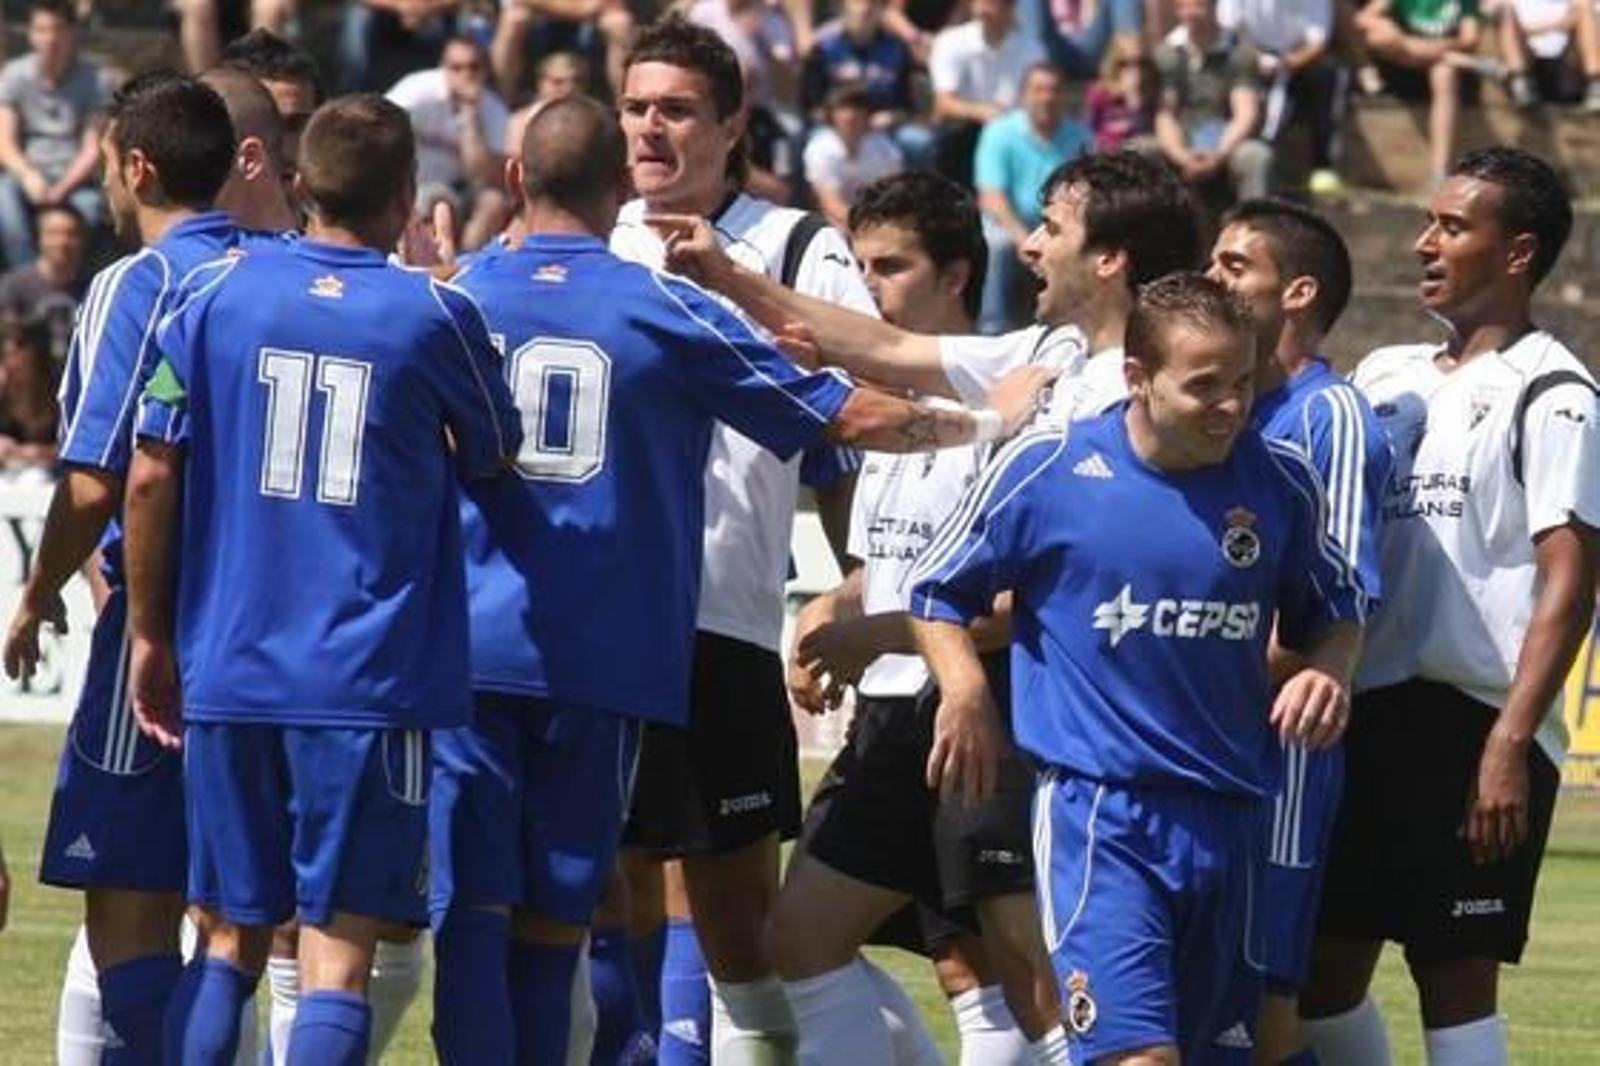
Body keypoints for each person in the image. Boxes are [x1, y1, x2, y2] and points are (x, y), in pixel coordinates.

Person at [428, 92, 1050, 1066]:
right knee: (566, 907)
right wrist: (985, 419)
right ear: (614, 191)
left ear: (512, 180)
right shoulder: (658, 303)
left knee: (471, 912)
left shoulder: (453, 294)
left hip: (465, 650)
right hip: (603, 659)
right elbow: (844, 417)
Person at [123, 93, 522, 1065]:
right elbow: (495, 452)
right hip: (366, 682)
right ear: (407, 193)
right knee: (339, 954)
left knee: (224, 937)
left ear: (299, 185)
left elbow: (147, 468)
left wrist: (148, 632)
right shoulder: (434, 312)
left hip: (231, 665)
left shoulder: (210, 295)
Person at [909, 271, 1370, 1065]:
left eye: (1243, 381)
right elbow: (934, 590)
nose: (1230, 404)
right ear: (1137, 377)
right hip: (1102, 818)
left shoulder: (1281, 481)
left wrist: (1327, 669)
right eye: (1203, 386)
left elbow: (1339, 609)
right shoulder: (1051, 468)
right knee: (1139, 1058)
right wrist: (964, 690)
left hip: (1232, 818)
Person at [610, 16, 880, 1062]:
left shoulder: (798, 246)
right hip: (597, 617)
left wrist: (861, 581)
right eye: (636, 107)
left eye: (676, 109)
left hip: (721, 609)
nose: (650, 129)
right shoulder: (594, 235)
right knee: (614, 887)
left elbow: (859, 417)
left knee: (729, 917)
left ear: (732, 126)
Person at [1304, 146, 1599, 1066]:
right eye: (1428, 222)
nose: (1426, 242)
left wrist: (1510, 742)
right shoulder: (1386, 373)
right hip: (1364, 713)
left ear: (1517, 254)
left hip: (1472, 725)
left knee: (1455, 978)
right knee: (1317, 980)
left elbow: (1572, 578)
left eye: (1453, 226)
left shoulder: (1557, 393)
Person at [775, 169, 1067, 1065]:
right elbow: (882, 568)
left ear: (956, 276)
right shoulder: (893, 421)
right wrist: (834, 605)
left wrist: (878, 633)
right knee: (807, 943)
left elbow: (1020, 603)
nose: (869, 288)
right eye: (861, 266)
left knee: (1018, 976)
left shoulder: (1015, 406)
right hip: (893, 719)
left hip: (976, 711)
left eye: (891, 267)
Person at [1206, 196, 1393, 1065]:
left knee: (1266, 1010)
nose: (1212, 275)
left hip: (1277, 764)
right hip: (1201, 745)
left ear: (1299, 292)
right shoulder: (1220, 415)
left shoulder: (1330, 416)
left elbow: (1341, 600)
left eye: (1235, 264)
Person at [654, 149, 1203, 440]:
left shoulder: (1149, 400)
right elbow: (889, 349)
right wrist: (728, 276)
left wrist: (896, 627)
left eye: (1052, 229)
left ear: (1109, 259)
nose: (1029, 247)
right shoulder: (1049, 351)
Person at [974, 61, 1092, 334]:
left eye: (1054, 90)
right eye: (1039, 90)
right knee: (996, 243)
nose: (1047, 97)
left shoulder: (1082, 136)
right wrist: (1021, 237)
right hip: (1008, 224)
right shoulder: (999, 132)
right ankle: (992, 328)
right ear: (1024, 94)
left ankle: (1076, 327)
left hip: (1061, 224)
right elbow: (991, 196)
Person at [0, 0, 111, 271]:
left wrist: (62, 189)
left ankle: (76, 287)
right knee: (4, 204)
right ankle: (30, 281)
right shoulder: (15, 75)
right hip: (26, 174)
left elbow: (92, 148)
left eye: (58, 29)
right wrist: (28, 176)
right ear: (31, 33)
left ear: (73, 32)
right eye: (42, 29)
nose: (50, 37)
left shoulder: (96, 80)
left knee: (92, 213)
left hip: (76, 179)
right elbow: (5, 141)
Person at [386, 35, 511, 252]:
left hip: (462, 190)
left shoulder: (494, 109)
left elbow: (484, 173)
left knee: (495, 201)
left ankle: (464, 267)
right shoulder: (419, 89)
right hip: (412, 184)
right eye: (457, 67)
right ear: (443, 67)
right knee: (436, 202)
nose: (466, 74)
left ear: (485, 70)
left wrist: (471, 115)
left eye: (474, 67)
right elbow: (379, 122)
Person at [1219, 0, 1346, 196]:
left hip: (1297, 60)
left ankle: (1323, 165)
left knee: (1328, 73)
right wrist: (1255, 58)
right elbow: (1229, 29)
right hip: (1248, 56)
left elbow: (1318, 41)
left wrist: (1286, 63)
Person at [1353, 0, 1484, 184]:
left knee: (1444, 74)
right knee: (1381, 37)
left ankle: (1440, 171)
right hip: (1402, 66)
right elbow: (1362, 18)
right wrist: (1399, 37)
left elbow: (1470, 38)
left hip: (1443, 64)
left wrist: (1437, 47)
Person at [1154, 0, 1273, 203]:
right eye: (1183, 6)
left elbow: (1245, 113)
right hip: (1181, 141)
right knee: (1138, 150)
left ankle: (1254, 224)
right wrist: (1182, 156)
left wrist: (1218, 155)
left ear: (1215, 6)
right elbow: (1165, 116)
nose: (1190, 13)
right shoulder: (1167, 54)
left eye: (1198, 6)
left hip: (1227, 141)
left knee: (1255, 156)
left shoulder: (1239, 52)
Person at [928, 0, 1047, 186]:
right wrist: (982, 112)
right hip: (966, 133)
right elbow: (943, 104)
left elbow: (1035, 102)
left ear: (1011, 8)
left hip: (1015, 132)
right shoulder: (950, 41)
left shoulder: (1032, 49)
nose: (986, 8)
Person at [803, 84, 904, 230]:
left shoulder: (885, 149)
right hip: (837, 225)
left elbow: (895, 196)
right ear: (831, 114)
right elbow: (830, 204)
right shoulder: (819, 148)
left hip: (879, 222)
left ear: (867, 114)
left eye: (857, 108)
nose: (850, 115)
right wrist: (868, 227)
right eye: (843, 108)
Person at [0, 201, 89, 367]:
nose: (62, 242)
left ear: (82, 239)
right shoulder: (13, 286)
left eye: (71, 234)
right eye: (53, 233)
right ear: (39, 237)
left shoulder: (95, 289)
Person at [1493, 0, 1600, 110]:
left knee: (1586, 12)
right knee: (1506, 14)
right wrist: (1557, 24)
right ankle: (1521, 83)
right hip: (1529, 64)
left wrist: (1532, 28)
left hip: (1569, 65)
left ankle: (1595, 83)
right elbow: (1509, 27)